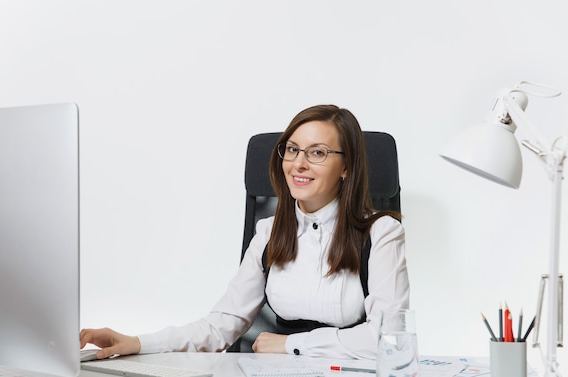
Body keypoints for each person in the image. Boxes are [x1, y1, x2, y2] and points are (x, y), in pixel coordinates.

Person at [80, 104, 409, 360]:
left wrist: (292, 345)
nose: (298, 163)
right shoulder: (269, 233)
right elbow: (220, 326)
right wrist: (137, 342)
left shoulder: (380, 233)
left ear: (347, 167)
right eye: (292, 150)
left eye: (317, 153)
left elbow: (387, 338)